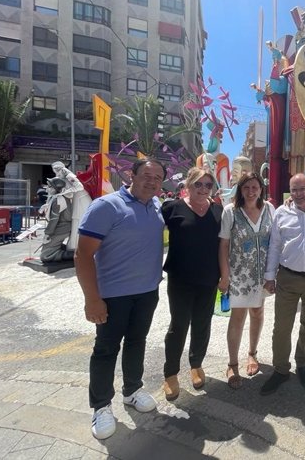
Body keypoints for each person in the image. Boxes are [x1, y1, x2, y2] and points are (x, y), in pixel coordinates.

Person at [75, 159, 166, 440]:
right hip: (113, 296)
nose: (151, 181)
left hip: (147, 292)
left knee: (137, 342)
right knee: (105, 350)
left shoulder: (157, 207)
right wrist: (92, 299)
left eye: (157, 178)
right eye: (146, 175)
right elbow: (83, 255)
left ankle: (132, 390)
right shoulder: (107, 206)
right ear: (132, 175)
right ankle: (101, 406)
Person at [259, 173, 305, 395]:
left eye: (303, 189)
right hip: (287, 277)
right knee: (282, 327)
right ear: (290, 192)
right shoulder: (282, 212)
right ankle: (281, 369)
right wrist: (269, 276)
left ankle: (302, 363)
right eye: (294, 190)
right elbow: (274, 246)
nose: (299, 194)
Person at [161, 167, 223, 401]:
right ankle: (170, 373)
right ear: (188, 185)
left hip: (208, 278)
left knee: (202, 323)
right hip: (180, 279)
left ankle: (196, 364)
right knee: (178, 325)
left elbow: (223, 246)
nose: (203, 189)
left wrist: (224, 276)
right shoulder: (171, 208)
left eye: (208, 185)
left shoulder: (218, 211)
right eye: (198, 184)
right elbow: (150, 235)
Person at [219, 172, 275, 389]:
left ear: (261, 189)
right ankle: (232, 364)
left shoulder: (269, 209)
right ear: (240, 190)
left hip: (263, 275)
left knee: (258, 312)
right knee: (238, 317)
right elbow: (223, 245)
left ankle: (252, 354)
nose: (251, 192)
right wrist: (225, 275)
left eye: (255, 188)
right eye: (246, 188)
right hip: (239, 275)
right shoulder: (231, 212)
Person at [51, 161, 93, 251]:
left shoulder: (69, 176)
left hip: (81, 199)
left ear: (60, 169)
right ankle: (73, 244)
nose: (56, 173)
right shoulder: (64, 176)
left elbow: (80, 187)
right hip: (77, 198)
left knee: (78, 221)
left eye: (56, 170)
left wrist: (66, 191)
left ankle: (75, 245)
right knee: (76, 221)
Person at [39, 177, 74, 263]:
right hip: (59, 227)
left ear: (55, 188)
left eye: (49, 186)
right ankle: (66, 250)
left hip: (61, 228)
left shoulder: (58, 200)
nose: (47, 188)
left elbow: (54, 219)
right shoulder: (56, 198)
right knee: (47, 248)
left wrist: (47, 234)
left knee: (45, 256)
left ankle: (76, 255)